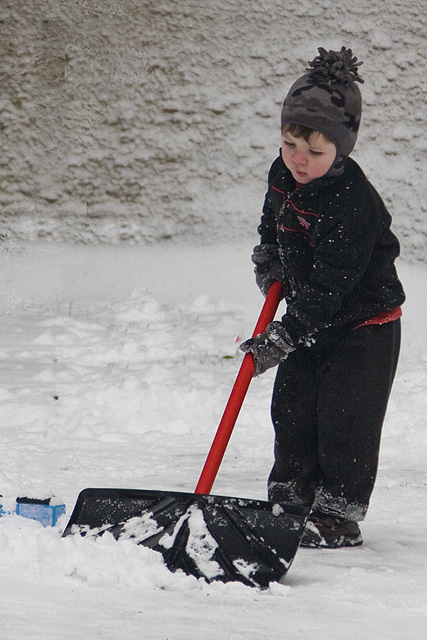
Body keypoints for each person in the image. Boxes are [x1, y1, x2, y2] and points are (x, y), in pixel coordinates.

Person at [240, 47, 405, 548]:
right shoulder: (283, 172)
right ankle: (290, 500)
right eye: (291, 143)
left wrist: (284, 334)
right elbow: (274, 214)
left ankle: (336, 515)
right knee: (292, 411)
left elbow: (333, 285)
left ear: (342, 148)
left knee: (345, 421)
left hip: (363, 326)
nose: (299, 159)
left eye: (315, 151)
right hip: (311, 318)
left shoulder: (354, 204)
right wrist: (269, 254)